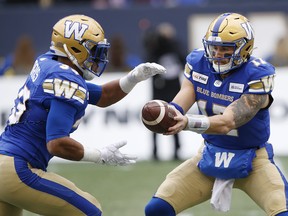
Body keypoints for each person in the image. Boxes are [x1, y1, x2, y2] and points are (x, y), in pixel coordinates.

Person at [0, 14, 166, 216]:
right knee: (90, 211)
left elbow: (103, 96)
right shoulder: (65, 79)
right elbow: (57, 143)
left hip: (5, 164)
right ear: (75, 48)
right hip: (18, 169)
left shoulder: (48, 63)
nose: (98, 57)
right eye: (94, 50)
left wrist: (133, 77)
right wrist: (100, 155)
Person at [145, 12, 288, 216]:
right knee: (157, 209)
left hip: (253, 159)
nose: (218, 53)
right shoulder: (198, 62)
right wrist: (170, 112)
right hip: (210, 154)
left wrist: (186, 122)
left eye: (226, 49)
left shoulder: (258, 74)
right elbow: (188, 91)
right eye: (214, 47)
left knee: (283, 211)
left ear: (244, 48)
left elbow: (227, 122)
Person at [143, 23, 186, 161]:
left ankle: (176, 150)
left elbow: (182, 58)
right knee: (153, 116)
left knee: (174, 117)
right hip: (159, 86)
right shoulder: (155, 47)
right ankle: (155, 151)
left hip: (173, 87)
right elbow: (148, 58)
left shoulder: (175, 47)